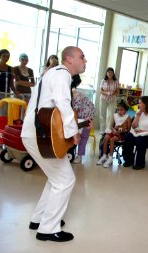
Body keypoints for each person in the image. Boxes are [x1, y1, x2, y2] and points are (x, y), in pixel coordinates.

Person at [21, 46, 87, 242]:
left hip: (36, 135)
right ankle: (48, 229)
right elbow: (62, 102)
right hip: (39, 136)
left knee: (56, 178)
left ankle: (40, 219)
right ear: (69, 59)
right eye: (82, 57)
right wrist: (74, 132)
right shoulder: (62, 74)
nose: (86, 60)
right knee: (65, 180)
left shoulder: (53, 72)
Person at [122, 96, 148, 170]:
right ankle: (128, 160)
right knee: (128, 137)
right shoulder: (139, 111)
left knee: (140, 140)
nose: (138, 105)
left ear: (146, 104)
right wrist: (137, 116)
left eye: (140, 103)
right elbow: (133, 126)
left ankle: (140, 163)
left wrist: (142, 131)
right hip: (140, 133)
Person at [97, 100, 130, 167]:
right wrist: (114, 130)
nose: (119, 111)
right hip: (115, 131)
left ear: (125, 110)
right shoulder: (115, 116)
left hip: (122, 134)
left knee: (112, 139)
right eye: (118, 110)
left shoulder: (128, 117)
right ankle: (104, 155)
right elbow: (111, 126)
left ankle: (110, 158)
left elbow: (129, 129)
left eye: (121, 110)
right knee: (106, 137)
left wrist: (122, 130)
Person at [71, 75, 94, 164]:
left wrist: (75, 124)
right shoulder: (73, 93)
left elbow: (75, 112)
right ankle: (74, 154)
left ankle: (79, 156)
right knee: (77, 137)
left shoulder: (76, 96)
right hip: (83, 117)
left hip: (85, 118)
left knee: (82, 138)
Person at [99, 67, 120, 134]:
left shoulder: (116, 82)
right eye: (108, 72)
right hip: (103, 99)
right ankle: (102, 130)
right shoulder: (103, 81)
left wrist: (112, 93)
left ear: (113, 73)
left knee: (111, 115)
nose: (110, 73)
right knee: (102, 114)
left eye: (111, 72)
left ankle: (108, 130)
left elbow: (117, 91)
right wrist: (107, 93)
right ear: (106, 73)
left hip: (112, 100)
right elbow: (101, 91)